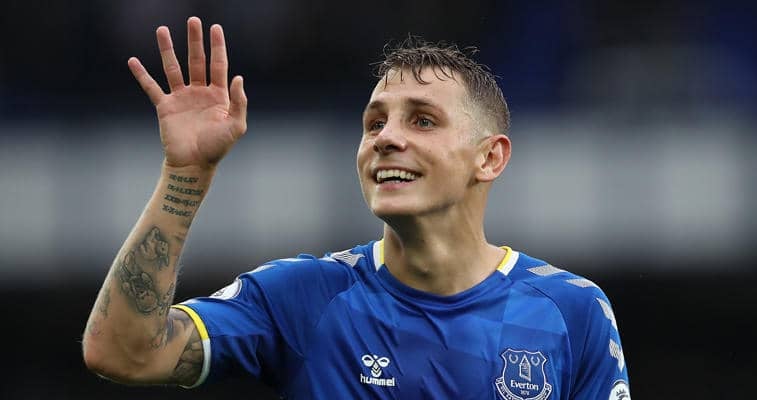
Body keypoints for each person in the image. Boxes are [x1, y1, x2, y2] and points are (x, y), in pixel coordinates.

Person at [82, 16, 630, 400]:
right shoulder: (303, 296)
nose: (385, 138)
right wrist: (185, 176)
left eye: (422, 120)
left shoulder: (570, 310)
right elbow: (122, 353)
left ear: (489, 158)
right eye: (374, 123)